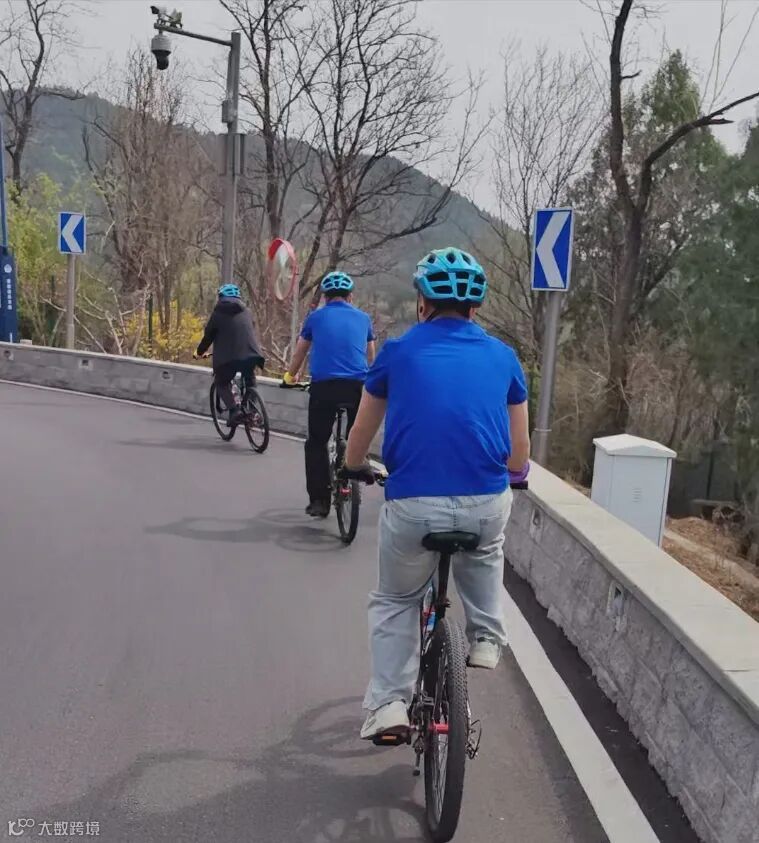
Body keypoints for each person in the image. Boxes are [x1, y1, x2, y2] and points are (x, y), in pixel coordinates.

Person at [341, 247, 531, 740]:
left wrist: (353, 466)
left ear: (422, 303)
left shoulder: (397, 353)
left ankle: (389, 704)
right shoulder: (504, 358)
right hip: (484, 501)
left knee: (395, 599)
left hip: (414, 504)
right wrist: (514, 474)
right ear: (476, 307)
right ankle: (485, 637)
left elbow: (360, 434)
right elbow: (518, 454)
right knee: (486, 548)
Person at [283, 271, 376, 518]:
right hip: (356, 386)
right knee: (356, 434)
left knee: (317, 441)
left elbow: (300, 352)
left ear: (325, 297)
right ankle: (357, 463)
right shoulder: (364, 318)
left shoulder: (315, 317)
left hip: (324, 387)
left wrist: (290, 377)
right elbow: (371, 356)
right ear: (350, 296)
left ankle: (319, 501)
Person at [194, 284, 264, 426]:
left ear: (220, 297)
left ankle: (234, 411)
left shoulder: (218, 313)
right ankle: (252, 411)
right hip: (251, 354)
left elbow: (208, 337)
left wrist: (199, 352)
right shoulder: (247, 312)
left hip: (228, 358)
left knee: (221, 382)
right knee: (250, 380)